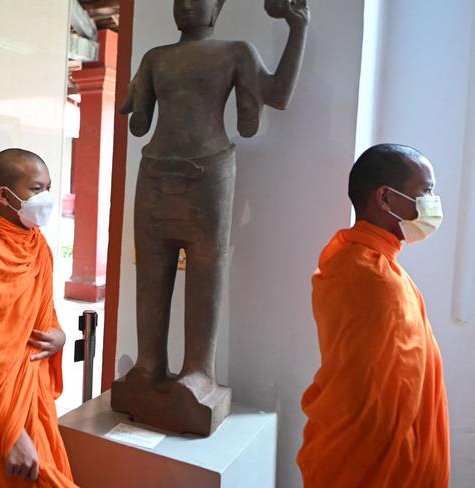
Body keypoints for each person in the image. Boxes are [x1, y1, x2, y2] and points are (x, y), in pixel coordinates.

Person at [112, 0, 309, 425]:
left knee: (206, 268)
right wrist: (137, 102)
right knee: (150, 267)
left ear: (216, 6)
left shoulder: (235, 52)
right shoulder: (155, 58)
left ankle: (198, 370)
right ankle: (148, 364)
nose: (186, 5)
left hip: (210, 170)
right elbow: (138, 120)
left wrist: (298, 29)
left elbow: (276, 93)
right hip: (155, 169)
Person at [297, 144, 450, 486]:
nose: (432, 202)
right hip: (378, 468)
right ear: (385, 198)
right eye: (424, 191)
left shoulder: (363, 260)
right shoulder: (373, 276)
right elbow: (390, 403)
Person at [0, 149, 76, 487]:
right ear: (4, 195)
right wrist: (12, 433)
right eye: (36, 189)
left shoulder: (38, 245)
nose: (46, 198)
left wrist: (60, 336)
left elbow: (44, 313)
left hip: (32, 391)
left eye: (48, 188)